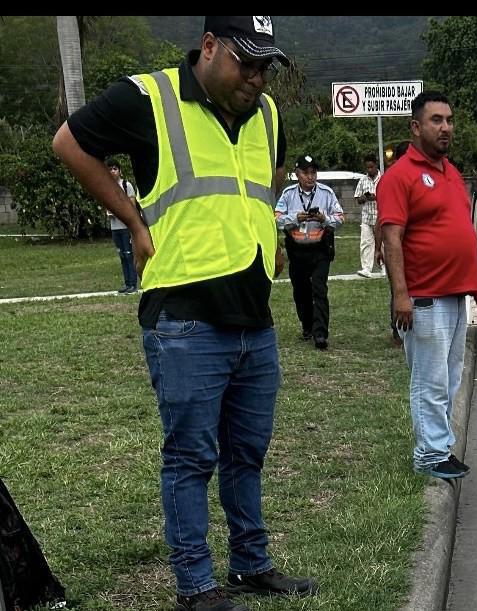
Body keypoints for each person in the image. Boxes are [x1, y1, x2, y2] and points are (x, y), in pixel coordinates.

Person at [52, 16, 315, 611]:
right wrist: (132, 220)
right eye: (245, 62)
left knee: (247, 453)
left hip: (254, 318)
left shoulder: (267, 115)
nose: (255, 77)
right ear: (209, 47)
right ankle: (196, 586)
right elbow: (69, 143)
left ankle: (251, 564)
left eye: (265, 66)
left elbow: (266, 177)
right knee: (191, 457)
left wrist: (264, 225)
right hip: (186, 319)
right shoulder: (150, 97)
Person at [377, 92, 477, 480]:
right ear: (416, 127)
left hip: (455, 296)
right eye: (436, 120)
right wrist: (400, 295)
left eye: (449, 120)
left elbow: (464, 231)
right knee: (430, 380)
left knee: (450, 377)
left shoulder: (451, 173)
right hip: (423, 299)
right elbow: (392, 238)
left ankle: (440, 448)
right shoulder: (400, 176)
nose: (445, 128)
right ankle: (428, 455)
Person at [276, 154, 344, 350]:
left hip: (320, 250)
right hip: (297, 251)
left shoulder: (326, 193)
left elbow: (339, 218)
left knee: (319, 290)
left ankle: (320, 333)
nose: (310, 177)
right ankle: (307, 326)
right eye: (305, 173)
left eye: (313, 172)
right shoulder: (288, 194)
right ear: (297, 174)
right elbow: (277, 218)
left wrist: (324, 219)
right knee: (301, 291)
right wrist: (296, 217)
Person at [385, 141, 411, 347]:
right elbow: (383, 223)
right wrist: (379, 247)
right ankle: (398, 330)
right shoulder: (393, 179)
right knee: (397, 289)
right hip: (397, 247)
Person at [105, 157, 140, 294]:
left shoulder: (126, 185)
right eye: (110, 169)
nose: (112, 171)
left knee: (129, 254)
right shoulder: (106, 186)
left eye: (115, 168)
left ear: (120, 171)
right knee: (122, 256)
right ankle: (127, 283)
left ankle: (133, 283)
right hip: (115, 227)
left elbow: (132, 205)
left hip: (126, 226)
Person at [354, 154, 384, 278]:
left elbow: (389, 196)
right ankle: (366, 268)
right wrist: (364, 198)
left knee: (383, 244)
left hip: (380, 216)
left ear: (376, 165)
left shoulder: (384, 178)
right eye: (367, 168)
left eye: (371, 167)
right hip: (367, 217)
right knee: (366, 243)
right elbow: (357, 199)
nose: (369, 170)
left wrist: (376, 197)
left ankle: (384, 267)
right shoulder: (363, 180)